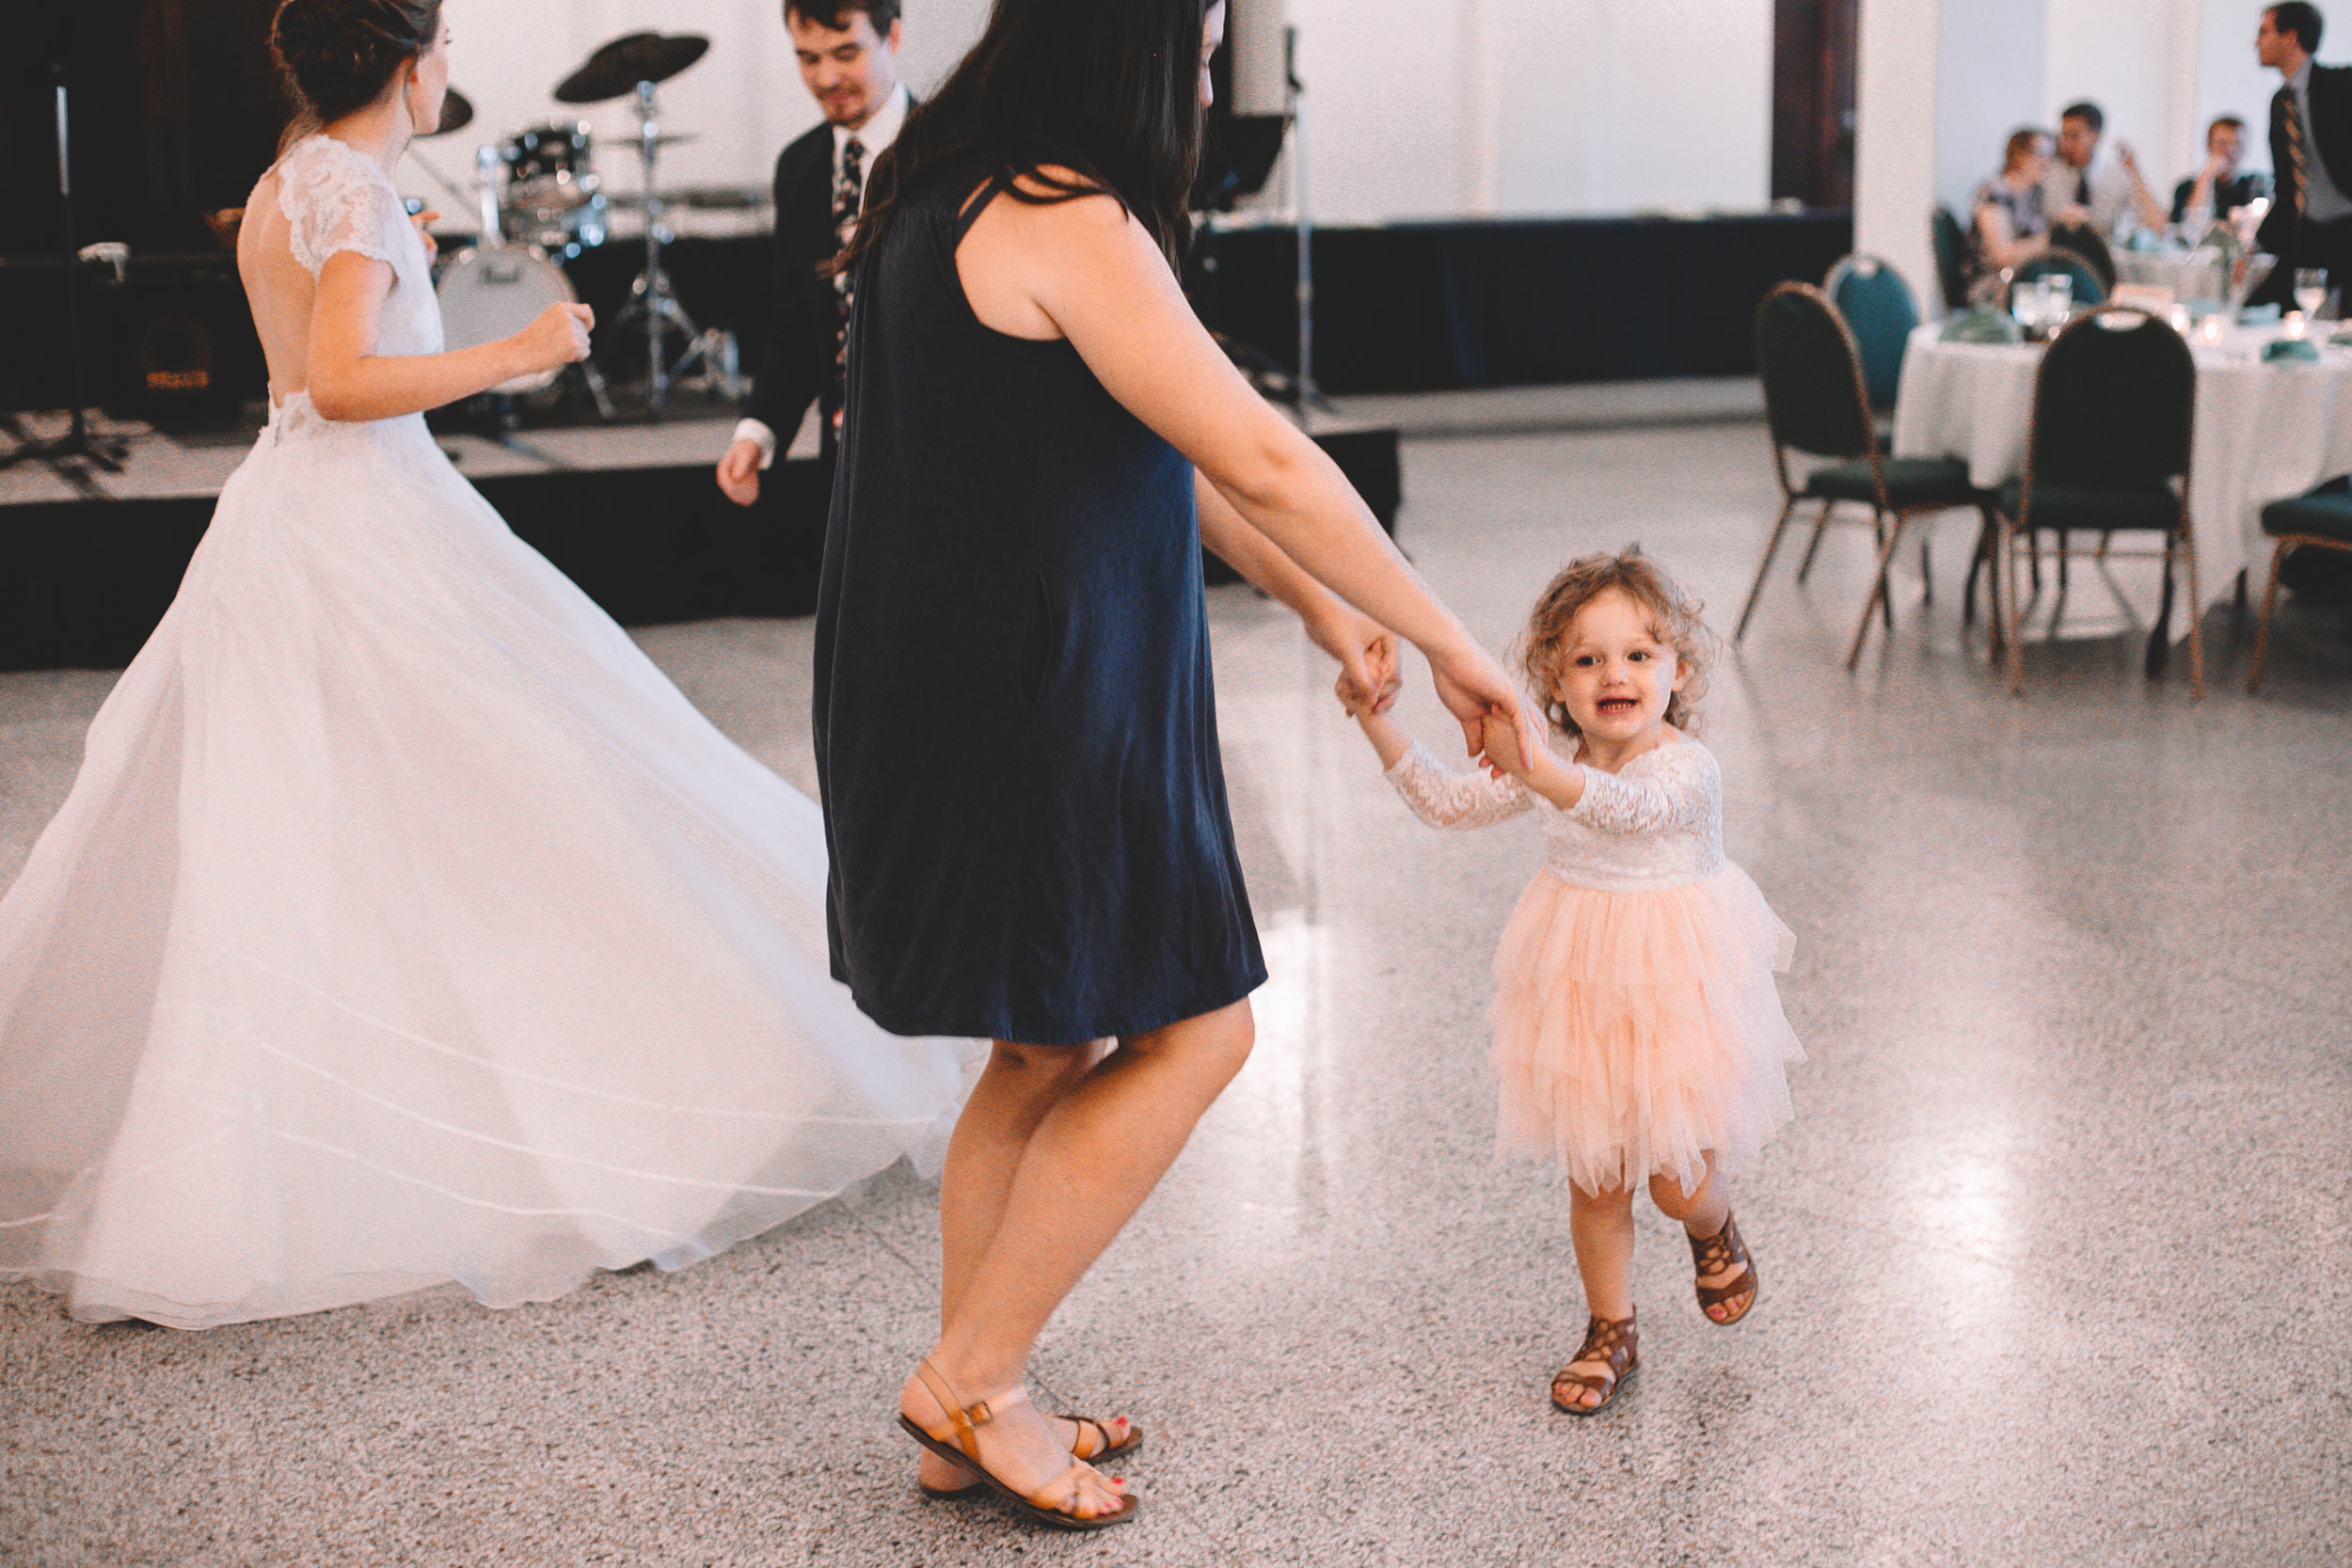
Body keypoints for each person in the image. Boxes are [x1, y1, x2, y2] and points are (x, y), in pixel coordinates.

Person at [0, 0, 974, 1330]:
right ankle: (635, 1070)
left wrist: (405, 266)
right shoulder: (359, 192)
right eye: (445, 44)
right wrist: (512, 348)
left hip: (283, 516)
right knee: (550, 773)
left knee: (314, 826)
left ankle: (291, 1132)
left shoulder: (291, 178)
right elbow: (338, 381)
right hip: (367, 521)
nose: (451, 64)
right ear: (409, 66)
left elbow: (306, 362)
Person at [817, 0, 1530, 1529]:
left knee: (1041, 1046)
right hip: (1034, 705)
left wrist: (1325, 605)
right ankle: (973, 1377)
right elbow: (1268, 451)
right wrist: (1458, 641)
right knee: (1202, 1033)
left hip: (971, 694)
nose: (1210, 72)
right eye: (1202, 43)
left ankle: (968, 1396)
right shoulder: (1060, 211)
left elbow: (1156, 451)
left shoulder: (945, 180)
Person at [1341, 549, 1802, 1417]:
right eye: (1587, 659)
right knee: (1596, 1176)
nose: (1613, 674)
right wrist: (1378, 722)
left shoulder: (1684, 768)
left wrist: (1537, 766)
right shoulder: (1549, 758)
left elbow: (1622, 809)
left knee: (1675, 1180)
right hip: (1581, 981)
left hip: (1678, 987)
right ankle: (1610, 1327)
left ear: (1679, 669)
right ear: (1554, 677)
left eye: (1637, 654)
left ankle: (1712, 1225)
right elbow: (1446, 804)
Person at [715, 0, 908, 506]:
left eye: (846, 53)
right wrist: (757, 432)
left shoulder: (954, 155)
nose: (827, 77)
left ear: (893, 39)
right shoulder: (798, 167)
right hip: (844, 467)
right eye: (808, 58)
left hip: (944, 462)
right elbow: (796, 324)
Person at [2254, 2, 2352, 311]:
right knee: (2258, 307)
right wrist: (2254, 245)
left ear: (2290, 38)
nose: (2256, 42)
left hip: (2347, 231)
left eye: (2264, 32)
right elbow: (2288, 186)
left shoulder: (2342, 84)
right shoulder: (2280, 103)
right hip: (2311, 235)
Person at [2041, 101, 2170, 238]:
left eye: (2074, 136)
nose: (2066, 143)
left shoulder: (2117, 174)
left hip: (2102, 254)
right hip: (2053, 252)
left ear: (2096, 136)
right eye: (2064, 135)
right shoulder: (2047, 170)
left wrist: (2134, 171)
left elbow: (2159, 226)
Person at [1974, 128, 2055, 283]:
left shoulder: (2034, 194)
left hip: (2025, 277)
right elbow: (2001, 256)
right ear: (2018, 155)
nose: (2047, 163)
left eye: (2051, 156)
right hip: (1994, 282)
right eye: (2041, 154)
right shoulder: (1995, 192)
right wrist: (2051, 239)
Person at [2172, 115, 2270, 230]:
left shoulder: (2256, 185)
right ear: (2209, 145)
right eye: (2222, 144)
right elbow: (2189, 227)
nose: (2230, 151)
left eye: (2236, 144)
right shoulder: (2187, 187)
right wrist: (2207, 175)